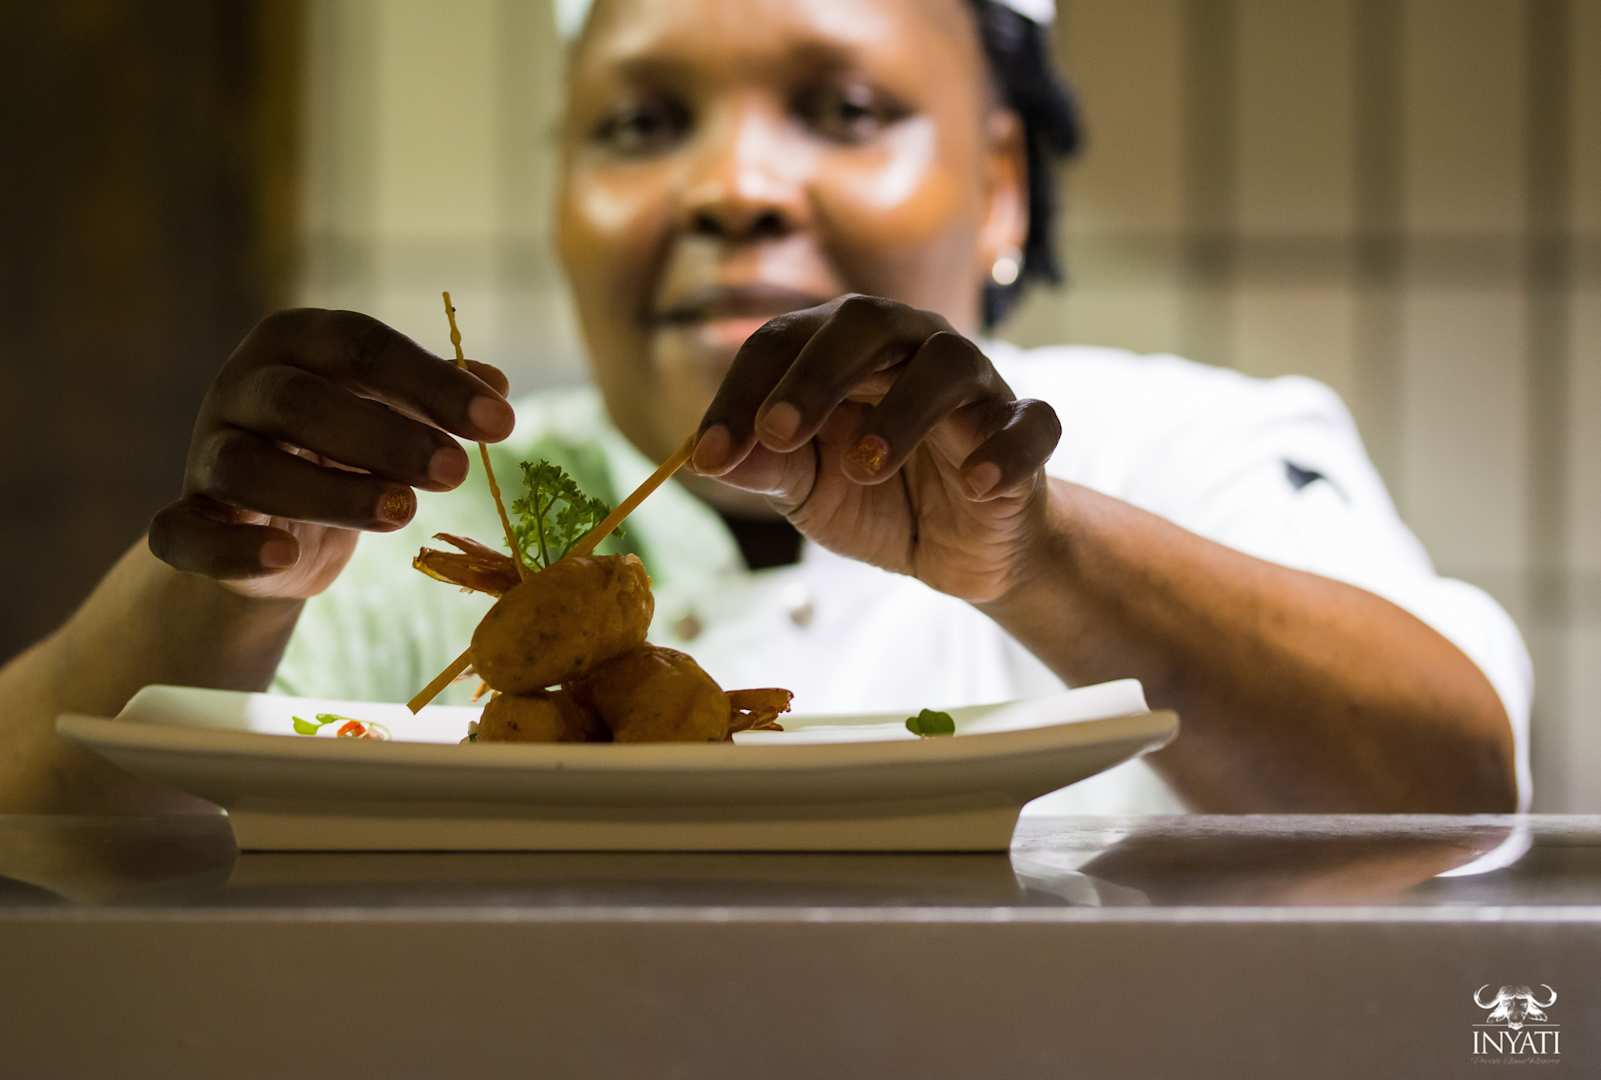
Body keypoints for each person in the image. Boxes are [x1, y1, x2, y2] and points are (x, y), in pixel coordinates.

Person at [0, 0, 1528, 816]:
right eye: (640, 122)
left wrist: (1038, 553)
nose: (730, 185)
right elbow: (46, 843)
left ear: (1000, 187)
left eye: (843, 109)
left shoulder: (1185, 450)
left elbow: (1455, 791)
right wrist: (216, 590)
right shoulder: (427, 516)